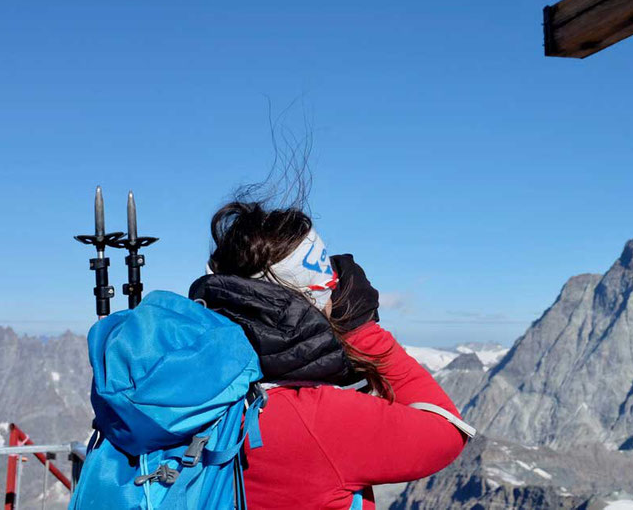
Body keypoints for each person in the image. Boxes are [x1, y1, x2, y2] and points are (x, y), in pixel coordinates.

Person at [188, 199, 471, 509]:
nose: (336, 293)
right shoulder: (318, 419)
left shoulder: (192, 382)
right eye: (330, 283)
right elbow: (447, 434)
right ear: (307, 299)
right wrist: (363, 332)